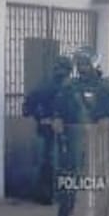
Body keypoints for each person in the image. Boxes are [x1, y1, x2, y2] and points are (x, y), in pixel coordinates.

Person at [51, 48, 109, 216]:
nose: (82, 67)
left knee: (101, 183)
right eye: (79, 63)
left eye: (85, 64)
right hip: (74, 141)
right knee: (68, 182)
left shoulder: (106, 88)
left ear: (94, 64)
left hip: (99, 142)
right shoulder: (69, 87)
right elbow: (58, 109)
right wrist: (57, 120)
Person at [23, 55, 74, 205]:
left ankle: (48, 194)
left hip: (51, 128)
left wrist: (39, 117)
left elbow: (28, 106)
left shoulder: (47, 85)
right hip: (55, 129)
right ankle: (51, 194)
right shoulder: (65, 87)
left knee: (49, 161)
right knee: (54, 161)